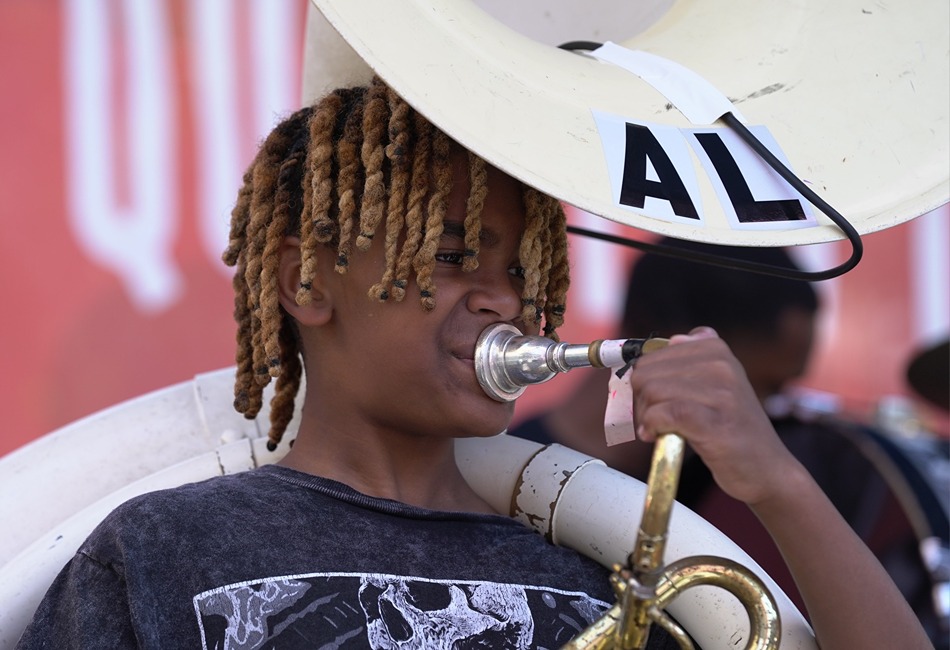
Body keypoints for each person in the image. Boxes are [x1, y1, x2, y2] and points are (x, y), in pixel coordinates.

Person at [17, 78, 929, 649]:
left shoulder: (591, 575)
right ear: (306, 281)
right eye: (452, 255)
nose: (506, 300)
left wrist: (776, 482)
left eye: (525, 271)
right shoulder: (164, 549)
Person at [511, 236, 944, 645]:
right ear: (668, 343)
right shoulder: (500, 478)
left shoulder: (722, 490)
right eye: (763, 387)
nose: (764, 416)